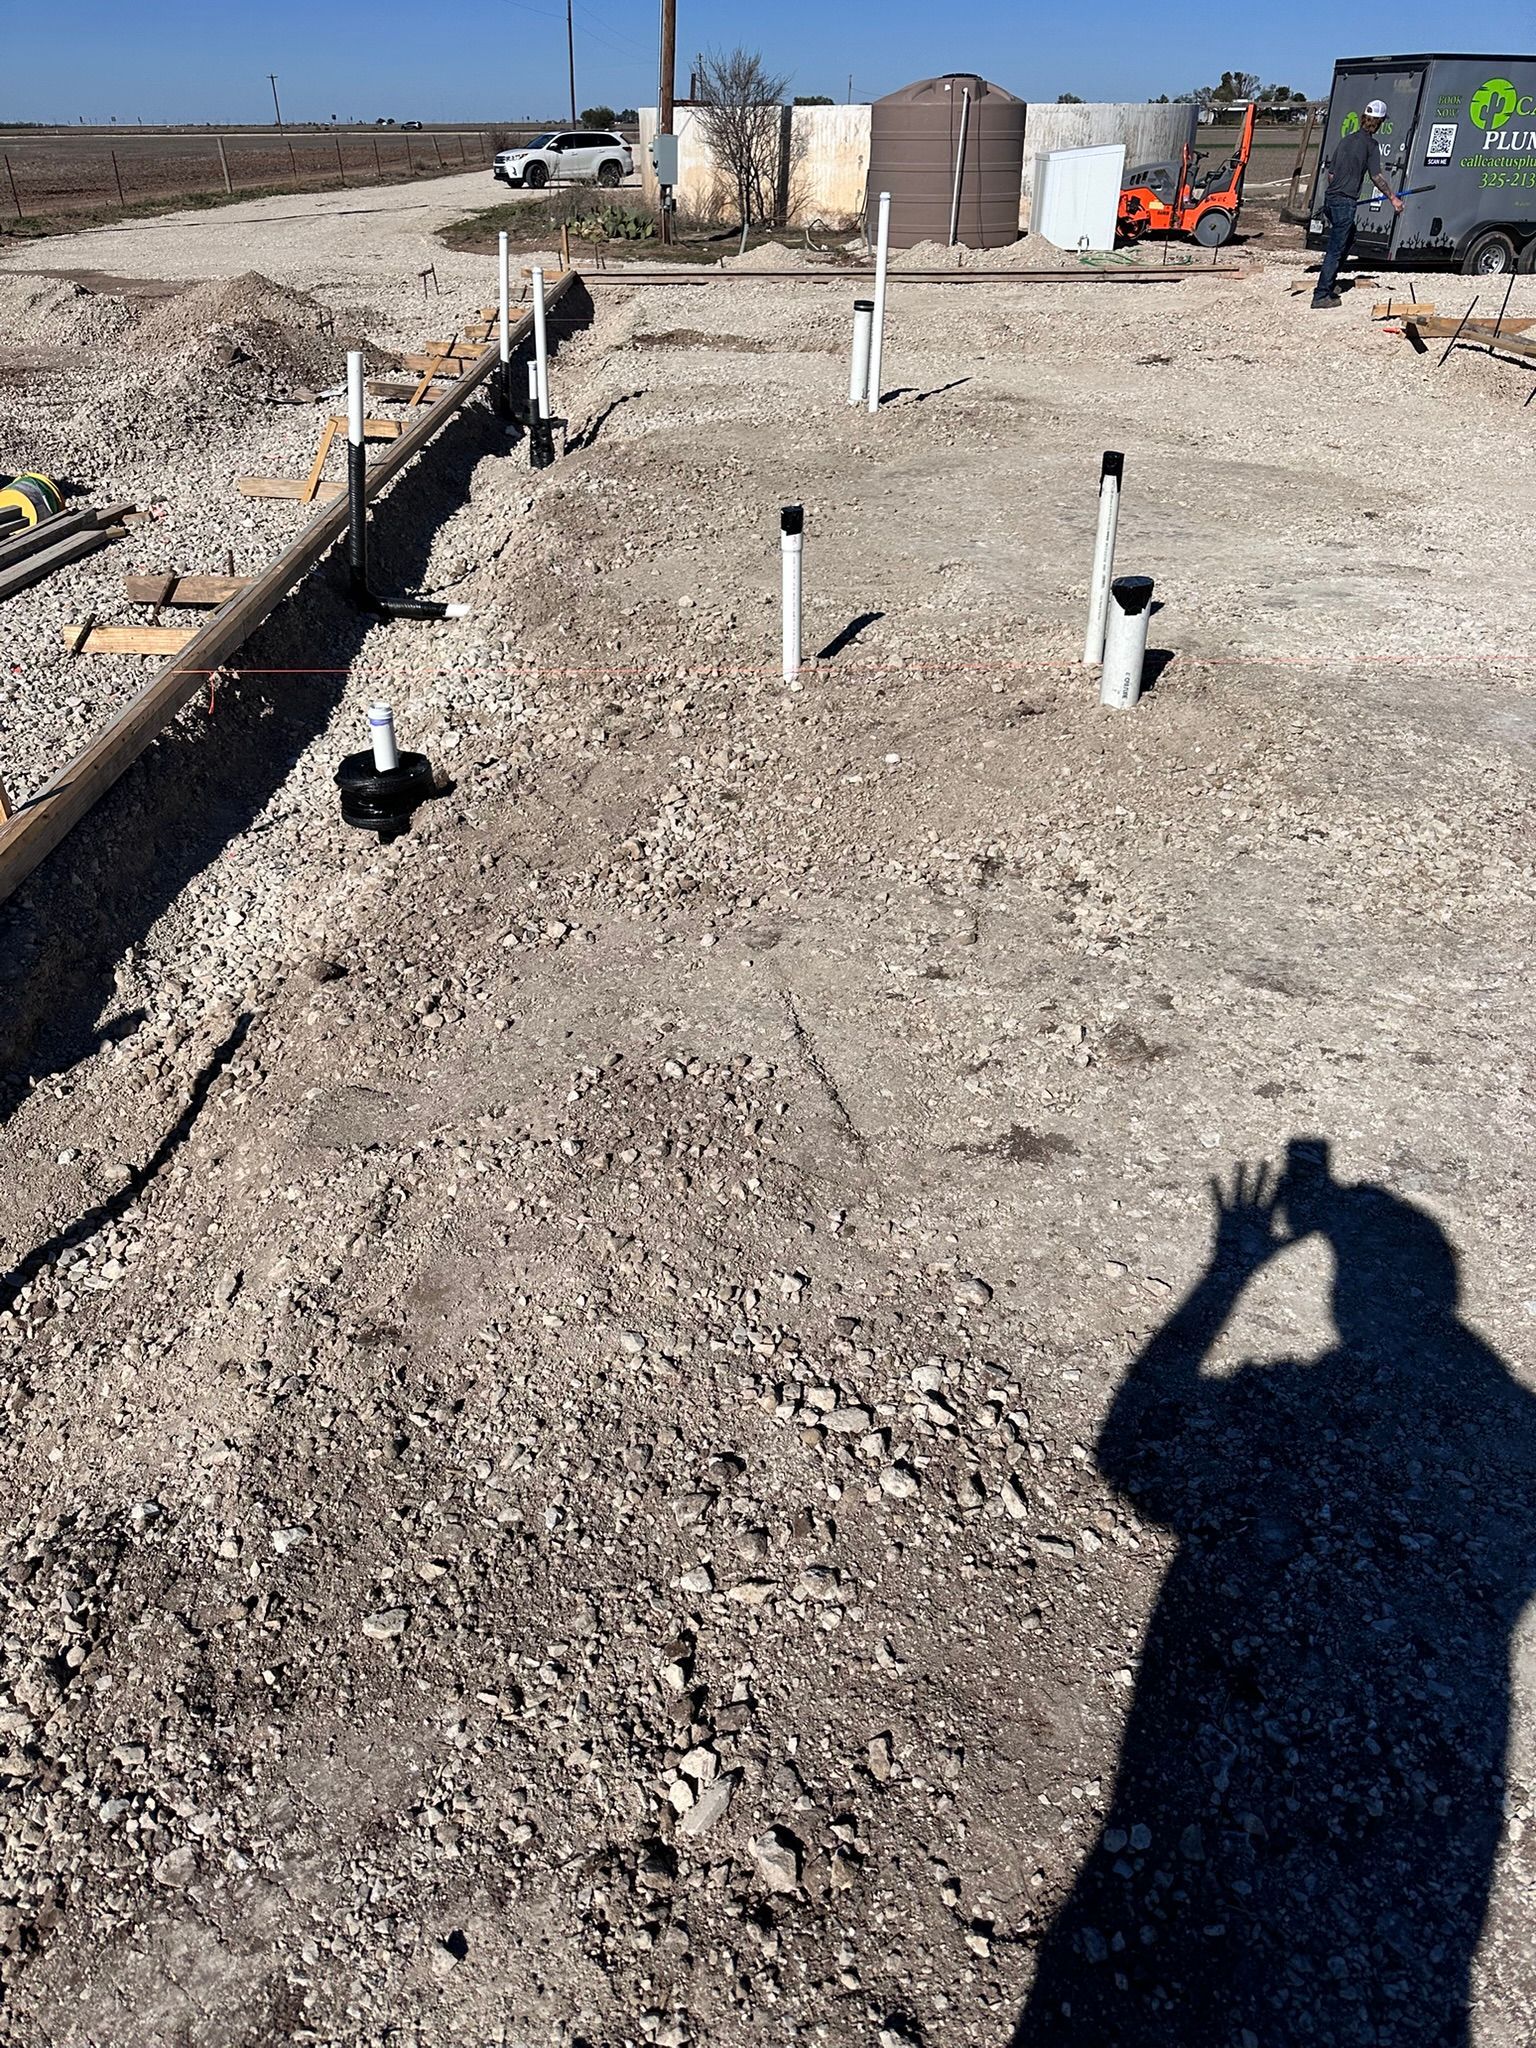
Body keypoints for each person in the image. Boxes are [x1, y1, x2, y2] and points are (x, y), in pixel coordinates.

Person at [1312, 99, 1403, 309]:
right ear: (1379, 122)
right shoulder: (1371, 145)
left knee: (1347, 236)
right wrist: (1393, 198)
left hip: (1331, 198)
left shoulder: (1346, 140)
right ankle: (1321, 294)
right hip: (1344, 202)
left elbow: (1332, 174)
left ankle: (1329, 283)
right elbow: (1376, 177)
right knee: (1336, 248)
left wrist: (1340, 191)